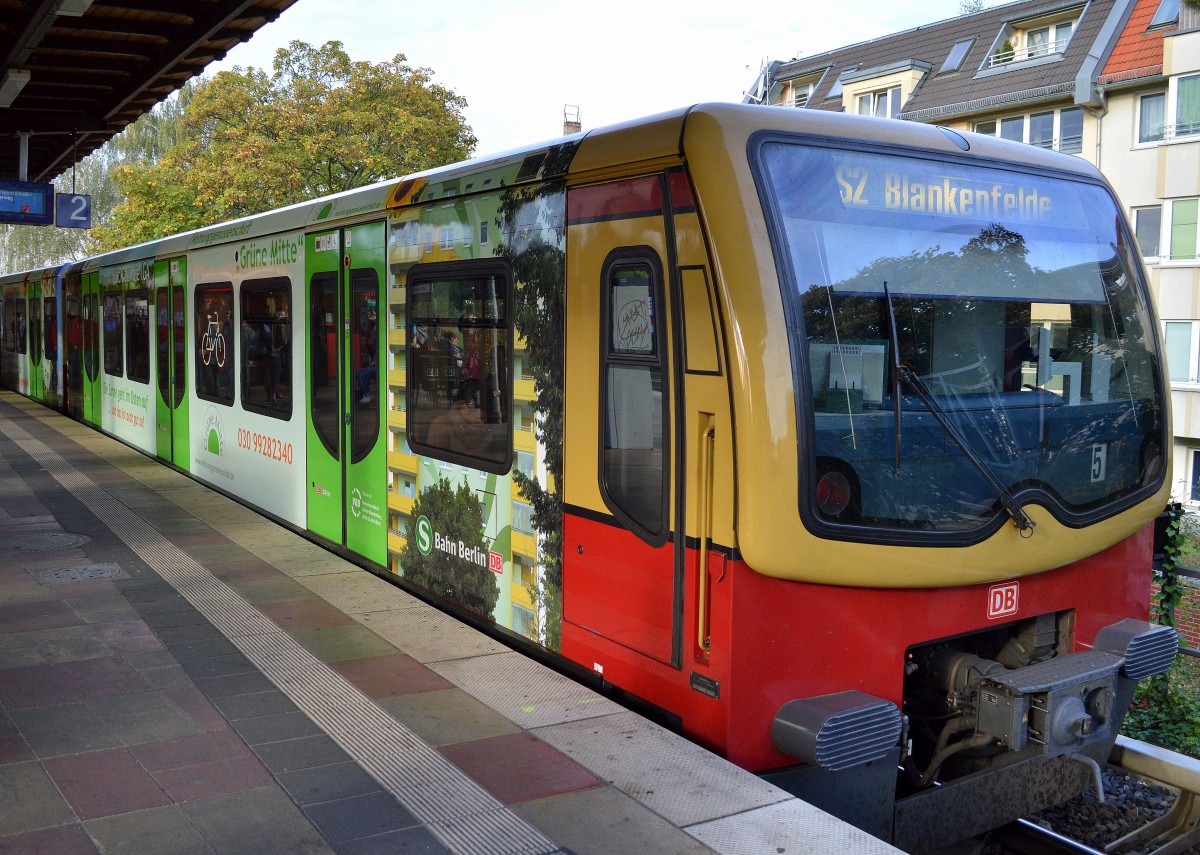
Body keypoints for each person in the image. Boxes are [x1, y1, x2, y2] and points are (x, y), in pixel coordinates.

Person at [355, 311, 378, 404]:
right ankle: (362, 394)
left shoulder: (376, 329)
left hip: (378, 366)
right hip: (375, 364)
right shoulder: (376, 330)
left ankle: (366, 394)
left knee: (362, 375)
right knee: (357, 373)